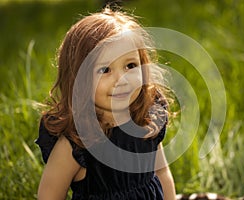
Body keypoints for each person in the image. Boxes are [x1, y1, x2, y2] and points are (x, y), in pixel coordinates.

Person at [35, 6, 176, 200]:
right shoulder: (77, 143)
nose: (122, 79)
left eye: (130, 65)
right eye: (105, 70)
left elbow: (161, 173)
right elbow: (49, 196)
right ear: (78, 78)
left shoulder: (146, 119)